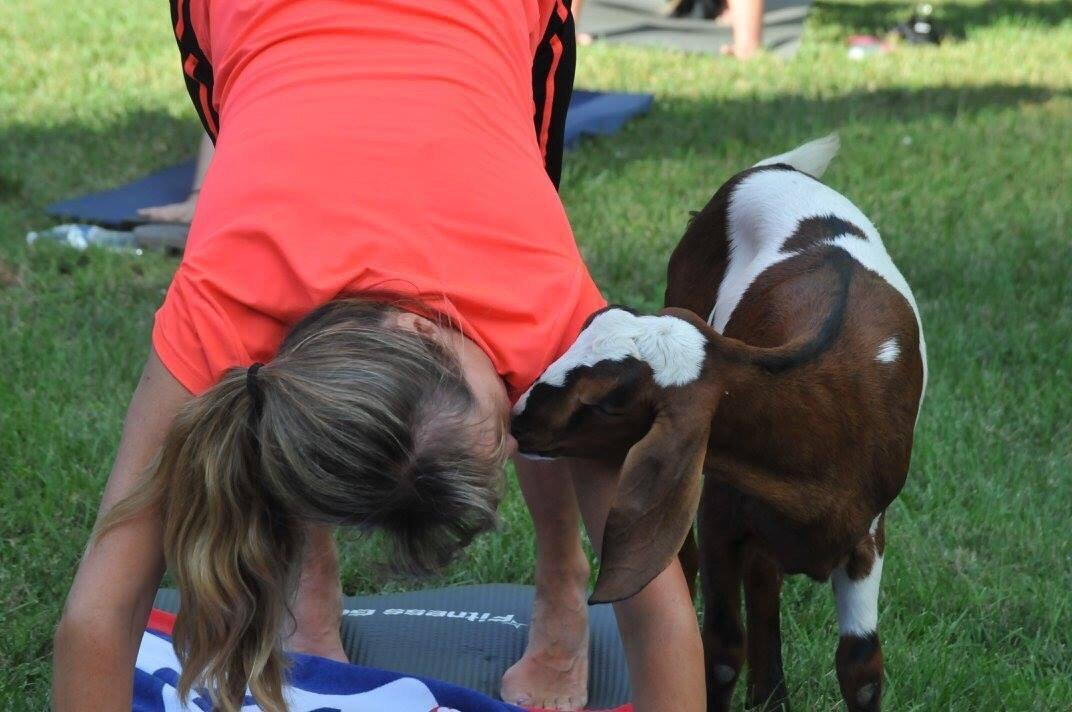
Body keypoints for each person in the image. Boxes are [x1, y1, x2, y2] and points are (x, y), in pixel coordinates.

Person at [51, 2, 705, 712]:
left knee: (549, 393)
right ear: (420, 331)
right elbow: (92, 625)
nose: (521, 417)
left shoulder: (550, 310)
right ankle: (311, 585)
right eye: (512, 411)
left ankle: (562, 577)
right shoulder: (225, 293)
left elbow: (654, 605)